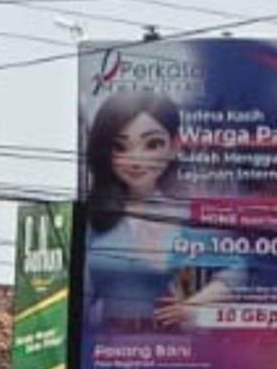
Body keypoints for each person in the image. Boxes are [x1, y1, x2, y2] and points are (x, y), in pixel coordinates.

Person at [82, 88, 238, 332]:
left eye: (152, 144)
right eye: (120, 147)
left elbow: (236, 266)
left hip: (169, 352)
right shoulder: (94, 218)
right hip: (103, 354)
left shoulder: (183, 215)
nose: (136, 160)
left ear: (174, 145)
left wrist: (193, 307)